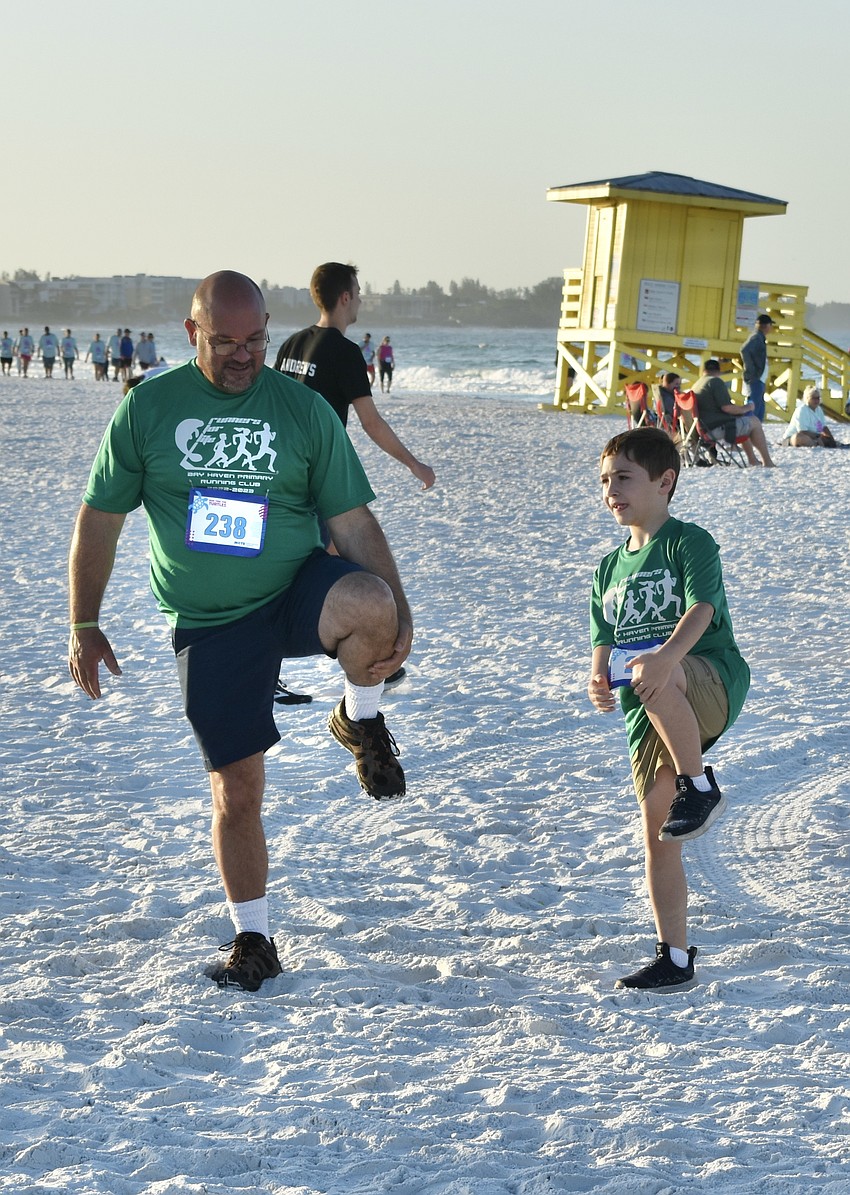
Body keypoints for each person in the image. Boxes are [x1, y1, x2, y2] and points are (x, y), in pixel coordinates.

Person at [68, 270, 413, 993]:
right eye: (225, 341)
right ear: (192, 333)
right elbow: (102, 515)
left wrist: (400, 614)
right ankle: (253, 937)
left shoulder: (301, 409)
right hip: (213, 622)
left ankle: (359, 718)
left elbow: (352, 522)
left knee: (372, 602)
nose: (243, 354)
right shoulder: (149, 408)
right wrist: (85, 620)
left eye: (255, 339)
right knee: (239, 789)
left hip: (293, 591)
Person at [587, 427, 750, 991]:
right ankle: (675, 959)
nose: (612, 489)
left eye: (624, 478)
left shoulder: (688, 541)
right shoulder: (609, 568)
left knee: (655, 670)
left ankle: (700, 785)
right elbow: (604, 634)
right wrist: (596, 675)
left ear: (665, 481)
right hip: (647, 706)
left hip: (706, 678)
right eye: (605, 479)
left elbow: (703, 607)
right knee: (658, 834)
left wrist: (664, 657)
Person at [692, 359, 776, 467]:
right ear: (719, 371)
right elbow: (727, 408)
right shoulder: (715, 382)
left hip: (701, 429)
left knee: (743, 421)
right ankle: (767, 461)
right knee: (754, 422)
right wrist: (747, 408)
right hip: (713, 429)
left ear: (704, 370)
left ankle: (753, 460)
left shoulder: (697, 384)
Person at [740, 314, 774, 421]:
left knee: (758, 411)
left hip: (758, 380)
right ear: (766, 326)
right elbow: (744, 350)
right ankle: (750, 435)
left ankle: (755, 435)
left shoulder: (759, 337)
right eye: (770, 325)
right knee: (753, 412)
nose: (771, 328)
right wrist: (751, 370)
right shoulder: (756, 337)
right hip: (755, 379)